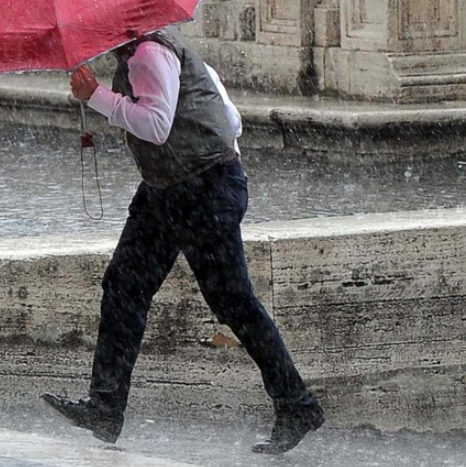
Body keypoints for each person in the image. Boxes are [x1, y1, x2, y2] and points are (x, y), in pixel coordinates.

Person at [41, 27, 324, 454]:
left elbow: (156, 126)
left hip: (202, 190)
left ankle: (297, 403)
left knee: (232, 301)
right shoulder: (161, 51)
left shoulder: (149, 54)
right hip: (171, 190)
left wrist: (95, 95)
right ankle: (104, 406)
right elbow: (229, 118)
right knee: (124, 286)